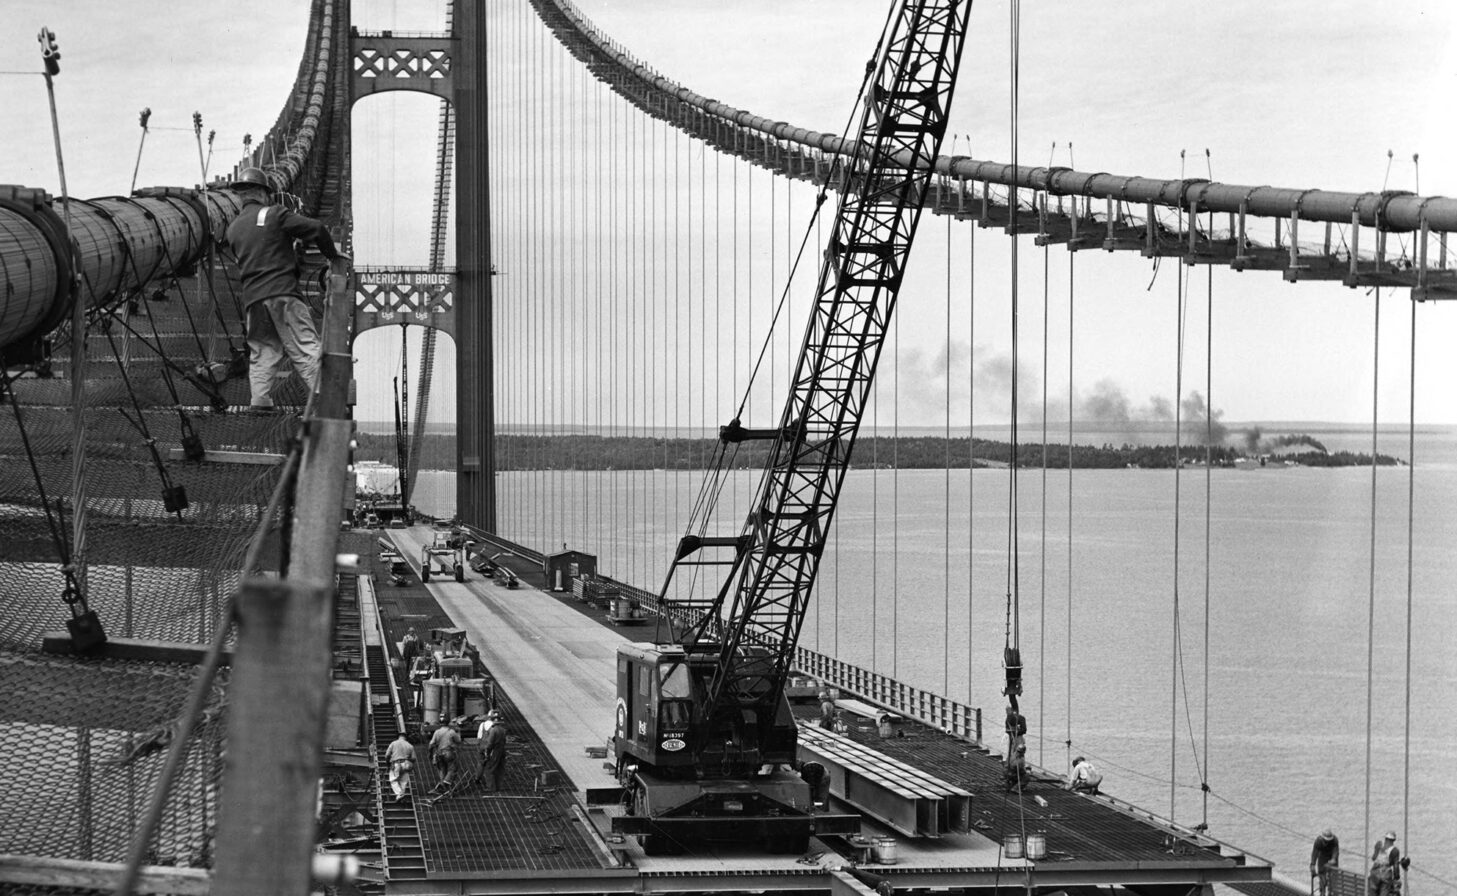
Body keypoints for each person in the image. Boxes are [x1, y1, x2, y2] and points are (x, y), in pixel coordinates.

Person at [223, 166, 347, 411]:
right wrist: (332, 256)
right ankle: (327, 400)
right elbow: (318, 229)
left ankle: (260, 401)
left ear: (241, 195)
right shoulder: (274, 213)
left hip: (253, 301)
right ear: (262, 192)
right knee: (304, 346)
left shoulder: (232, 228)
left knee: (263, 349)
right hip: (282, 293)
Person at [1369, 830, 1410, 896]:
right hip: (1385, 873)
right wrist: (1397, 877)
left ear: (1385, 838)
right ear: (1393, 840)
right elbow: (1396, 866)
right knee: (1384, 892)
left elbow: (1373, 858)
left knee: (1372, 892)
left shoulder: (1379, 845)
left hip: (1375, 871)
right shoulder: (1395, 850)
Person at [428, 722, 462, 793]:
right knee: (452, 769)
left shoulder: (437, 732)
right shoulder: (451, 732)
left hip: (439, 753)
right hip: (448, 753)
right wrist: (458, 732)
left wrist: (430, 754)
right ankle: (445, 783)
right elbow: (458, 741)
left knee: (442, 770)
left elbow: (431, 744)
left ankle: (443, 788)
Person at [384, 731, 415, 803]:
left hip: (396, 764)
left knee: (393, 780)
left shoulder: (393, 743)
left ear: (398, 736)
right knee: (403, 781)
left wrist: (387, 763)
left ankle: (399, 794)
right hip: (406, 764)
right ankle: (401, 796)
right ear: (406, 737)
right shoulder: (410, 745)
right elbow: (413, 758)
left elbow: (387, 755)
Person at [480, 715, 508, 793]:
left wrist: (487, 752)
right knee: (500, 768)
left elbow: (490, 743)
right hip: (502, 751)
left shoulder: (493, 730)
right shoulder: (503, 730)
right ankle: (499, 786)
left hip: (495, 751)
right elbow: (505, 741)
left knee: (489, 768)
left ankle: (491, 787)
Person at [1310, 829, 1340, 896]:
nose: (1327, 842)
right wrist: (1312, 864)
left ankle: (1331, 893)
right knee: (1322, 876)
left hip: (1332, 858)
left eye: (1329, 841)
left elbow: (1335, 852)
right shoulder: (1318, 841)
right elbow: (1315, 853)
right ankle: (1322, 892)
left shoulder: (1335, 840)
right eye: (1326, 841)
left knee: (1333, 878)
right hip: (1323, 857)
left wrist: (1333, 859)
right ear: (1322, 839)